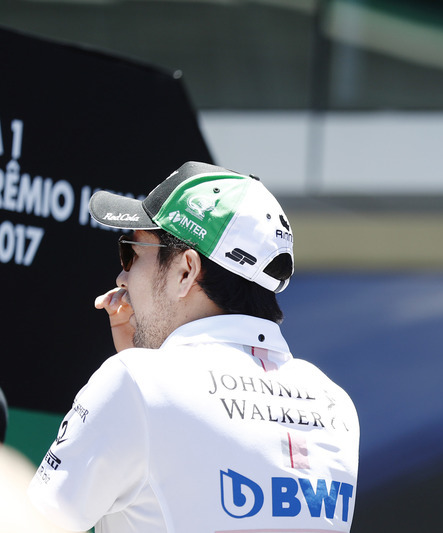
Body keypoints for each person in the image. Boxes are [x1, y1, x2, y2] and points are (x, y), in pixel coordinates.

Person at [28, 161, 359, 532]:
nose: (122, 275)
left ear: (186, 270)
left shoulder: (138, 384)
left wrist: (137, 380)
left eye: (132, 252)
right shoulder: (335, 404)